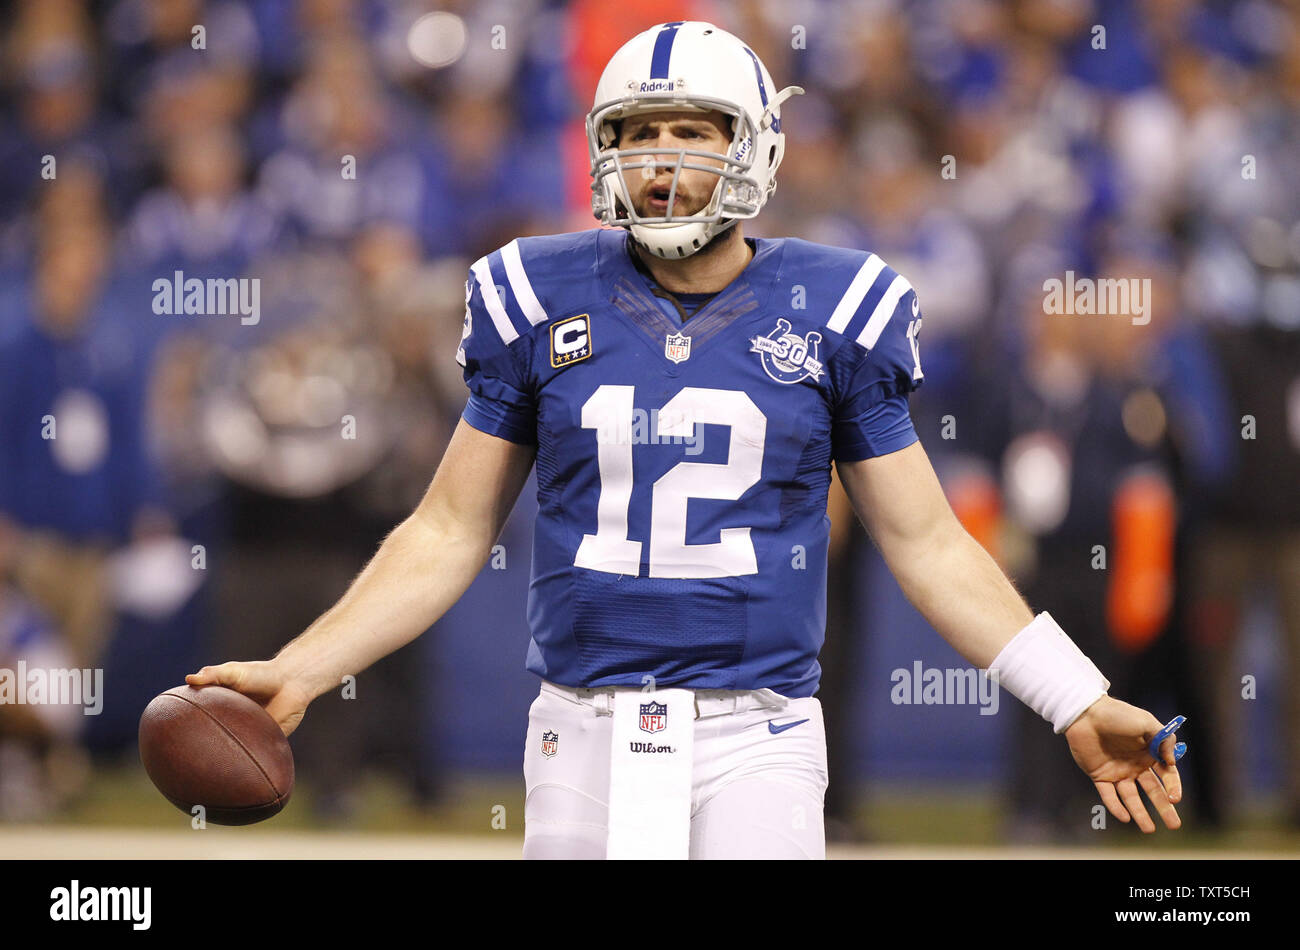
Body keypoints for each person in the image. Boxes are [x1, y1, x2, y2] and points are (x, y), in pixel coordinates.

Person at [188, 21, 1183, 859]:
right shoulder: (535, 291)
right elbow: (448, 528)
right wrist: (305, 666)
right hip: (578, 723)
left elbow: (924, 541)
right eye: (639, 130)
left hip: (760, 729)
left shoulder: (834, 303)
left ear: (755, 146)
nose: (662, 157)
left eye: (694, 131)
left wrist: (1072, 695)